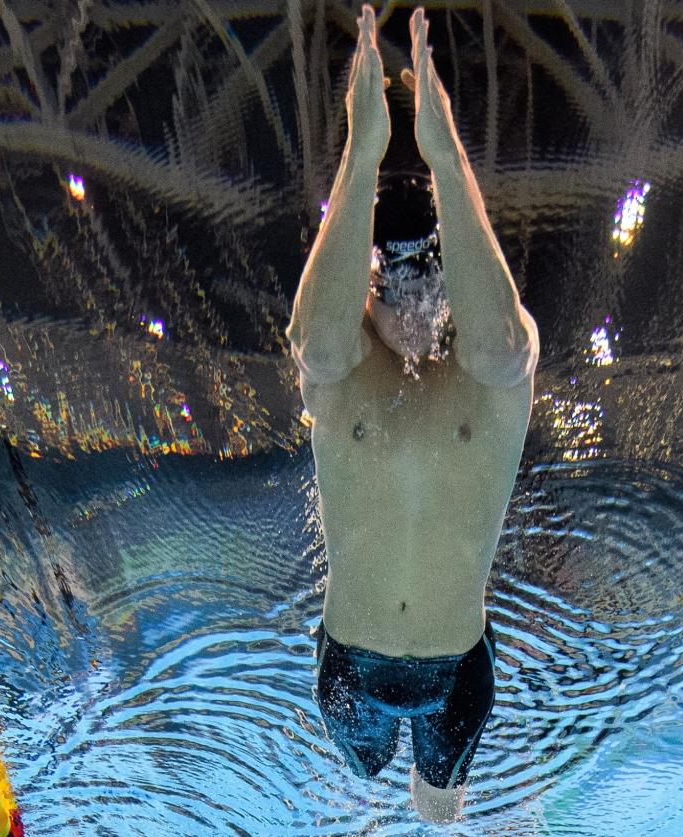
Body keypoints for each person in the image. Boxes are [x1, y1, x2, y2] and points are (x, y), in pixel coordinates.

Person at [284, 5, 539, 824]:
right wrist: (360, 160)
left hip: (455, 674)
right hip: (351, 670)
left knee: (435, 813)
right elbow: (312, 344)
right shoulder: (343, 365)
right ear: (365, 283)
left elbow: (501, 340)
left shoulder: (491, 372)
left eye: (423, 274)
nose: (407, 295)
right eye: (386, 278)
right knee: (363, 776)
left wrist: (444, 154)